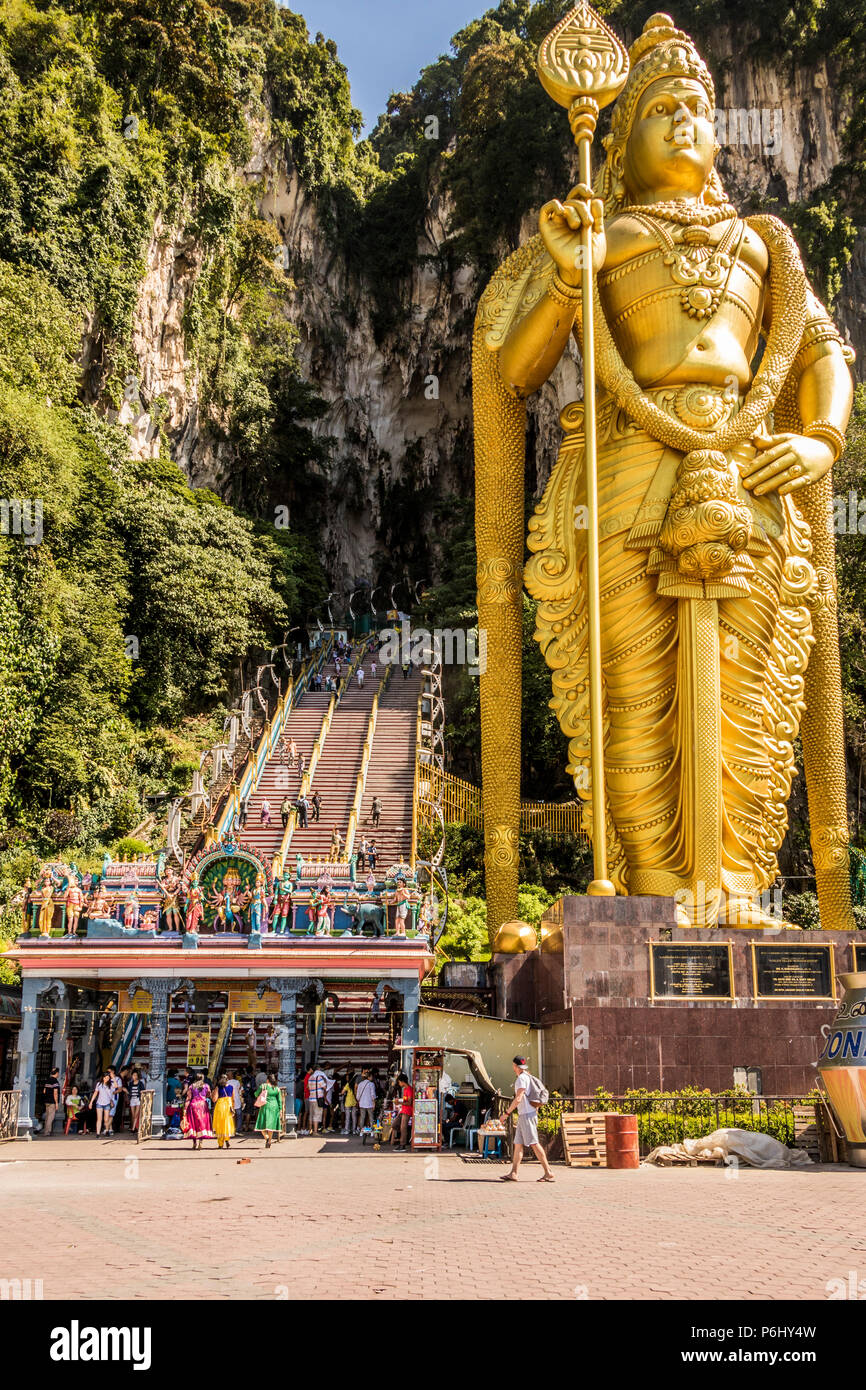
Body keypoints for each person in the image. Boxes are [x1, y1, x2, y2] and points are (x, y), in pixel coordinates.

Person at [499, 1057, 554, 1183]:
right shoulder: (527, 1076)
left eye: (513, 1065)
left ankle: (548, 1172)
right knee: (518, 1144)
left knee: (534, 1143)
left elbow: (518, 1098)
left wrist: (506, 1114)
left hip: (526, 1115)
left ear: (515, 1066)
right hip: (526, 1114)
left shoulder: (521, 1079)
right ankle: (514, 1173)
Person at [183, 1073, 214, 1151]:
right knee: (202, 1124)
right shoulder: (206, 1086)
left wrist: (185, 1109)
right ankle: (200, 1142)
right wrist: (203, 1096)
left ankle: (194, 1143)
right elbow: (209, 1094)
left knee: (194, 1125)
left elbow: (188, 1098)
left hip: (193, 1105)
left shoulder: (191, 1086)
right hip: (203, 1105)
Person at [255, 1073, 282, 1148]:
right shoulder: (277, 1089)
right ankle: (269, 1141)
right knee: (271, 1126)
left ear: (267, 1080)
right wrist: (280, 1110)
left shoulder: (263, 1086)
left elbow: (256, 1094)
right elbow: (279, 1100)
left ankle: (266, 1137)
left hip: (265, 1106)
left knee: (261, 1123)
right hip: (275, 1107)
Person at [212, 1074, 236, 1150]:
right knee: (227, 1124)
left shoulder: (218, 1087)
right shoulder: (231, 1087)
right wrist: (233, 1108)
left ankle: (220, 1144)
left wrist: (213, 1094)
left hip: (220, 1107)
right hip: (228, 1107)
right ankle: (227, 1139)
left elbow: (214, 1099)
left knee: (219, 1124)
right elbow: (233, 1099)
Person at [390, 1072, 413, 1150]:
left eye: (399, 1082)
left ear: (402, 1081)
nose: (399, 1083)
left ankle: (402, 1144)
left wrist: (399, 1102)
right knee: (394, 1124)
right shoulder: (405, 1089)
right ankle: (404, 1138)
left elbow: (409, 1102)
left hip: (408, 1111)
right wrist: (399, 1102)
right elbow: (405, 1101)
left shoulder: (409, 1089)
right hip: (403, 1110)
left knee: (403, 1127)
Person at [89, 1072, 114, 1136]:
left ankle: (107, 1130)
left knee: (106, 1119)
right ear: (103, 1078)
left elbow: (116, 1086)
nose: (107, 1079)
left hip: (107, 1103)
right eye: (105, 1078)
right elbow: (95, 1093)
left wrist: (113, 1077)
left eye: (108, 1078)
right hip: (99, 1103)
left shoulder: (110, 1085)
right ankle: (98, 1133)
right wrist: (91, 1102)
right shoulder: (99, 1084)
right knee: (99, 1119)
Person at [306, 1064, 328, 1137]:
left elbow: (308, 1088)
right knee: (317, 1115)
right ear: (318, 1070)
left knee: (311, 1115)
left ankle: (310, 1130)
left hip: (311, 1098)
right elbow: (325, 1087)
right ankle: (315, 1131)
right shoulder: (319, 1078)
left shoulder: (310, 1077)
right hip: (317, 1099)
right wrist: (325, 1081)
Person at [42, 1068, 61, 1136]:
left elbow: (44, 1091)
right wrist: (56, 1103)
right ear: (56, 1073)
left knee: (47, 1116)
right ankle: (47, 1132)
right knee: (51, 1117)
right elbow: (55, 1093)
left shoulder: (47, 1080)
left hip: (47, 1100)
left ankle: (47, 1130)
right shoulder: (55, 1081)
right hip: (52, 1101)